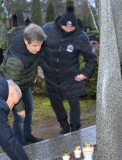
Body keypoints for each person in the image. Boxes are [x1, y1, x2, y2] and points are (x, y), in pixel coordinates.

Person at [41, 6, 97, 135]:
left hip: (71, 77)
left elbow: (92, 58)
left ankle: (75, 128)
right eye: (65, 27)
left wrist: (85, 74)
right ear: (60, 23)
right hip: (51, 77)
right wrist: (41, 64)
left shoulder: (81, 37)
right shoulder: (47, 29)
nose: (68, 30)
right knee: (56, 103)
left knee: (74, 103)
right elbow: (38, 48)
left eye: (71, 27)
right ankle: (64, 126)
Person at [0, 23, 46, 145]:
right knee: (20, 116)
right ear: (26, 41)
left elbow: (34, 61)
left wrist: (33, 76)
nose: (38, 49)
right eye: (35, 46)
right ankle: (20, 142)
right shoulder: (15, 60)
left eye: (40, 45)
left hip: (25, 84)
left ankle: (27, 135)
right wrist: (19, 108)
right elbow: (11, 85)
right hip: (13, 86)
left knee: (29, 110)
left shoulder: (34, 46)